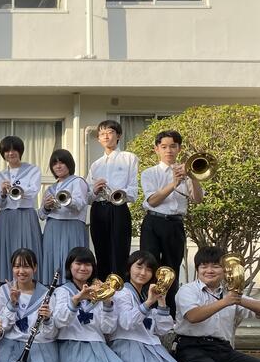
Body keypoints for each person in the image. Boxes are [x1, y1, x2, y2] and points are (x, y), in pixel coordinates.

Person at [139, 130, 204, 318]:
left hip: (175, 225)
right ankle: (148, 313)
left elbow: (198, 199)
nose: (169, 150)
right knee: (148, 268)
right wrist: (174, 183)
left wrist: (193, 177)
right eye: (164, 147)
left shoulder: (187, 172)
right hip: (153, 222)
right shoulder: (149, 173)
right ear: (156, 149)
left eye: (173, 146)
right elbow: (152, 201)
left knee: (171, 271)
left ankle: (169, 316)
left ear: (179, 149)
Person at [87, 120, 139, 281]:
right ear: (98, 139)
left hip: (119, 208)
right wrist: (95, 190)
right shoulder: (95, 165)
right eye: (102, 134)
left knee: (120, 252)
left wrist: (118, 192)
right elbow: (88, 197)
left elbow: (133, 191)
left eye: (110, 132)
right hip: (98, 209)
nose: (106, 136)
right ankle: (103, 289)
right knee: (101, 252)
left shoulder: (129, 158)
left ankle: (119, 288)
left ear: (118, 135)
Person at [0, 136, 43, 283]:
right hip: (6, 218)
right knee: (5, 252)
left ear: (20, 151)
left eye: (14, 149)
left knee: (27, 249)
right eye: (7, 151)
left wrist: (17, 189)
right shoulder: (0, 175)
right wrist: (2, 193)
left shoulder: (32, 170)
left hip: (26, 215)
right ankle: (5, 286)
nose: (11, 153)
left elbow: (33, 191)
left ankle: (30, 285)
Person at [37, 149, 89, 285]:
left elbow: (80, 204)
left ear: (69, 164)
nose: (58, 166)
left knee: (71, 258)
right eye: (55, 164)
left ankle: (72, 288)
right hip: (52, 227)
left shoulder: (78, 181)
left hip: (72, 226)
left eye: (62, 163)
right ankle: (52, 288)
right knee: (52, 257)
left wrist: (65, 201)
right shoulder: (50, 188)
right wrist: (47, 206)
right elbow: (41, 215)